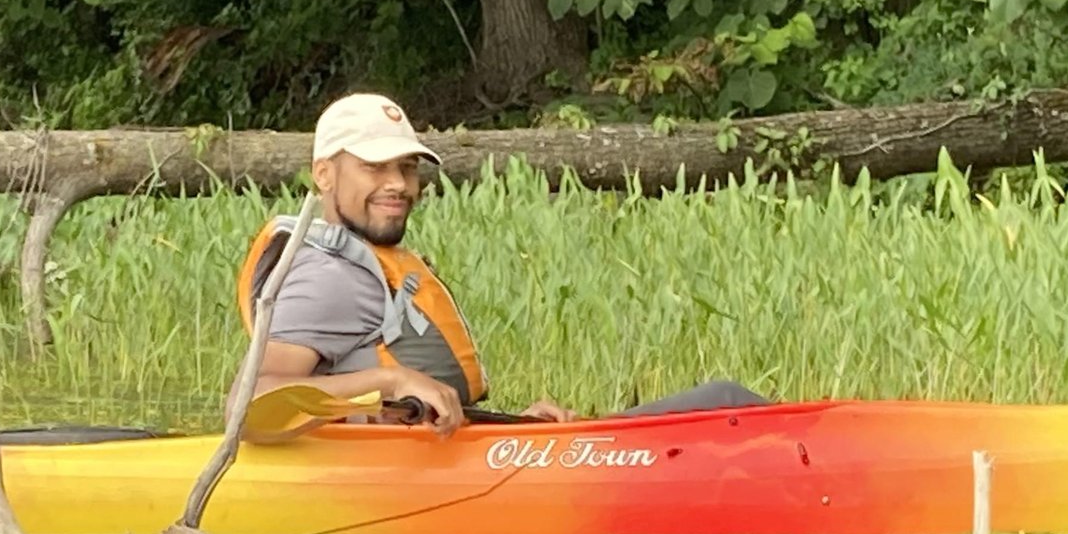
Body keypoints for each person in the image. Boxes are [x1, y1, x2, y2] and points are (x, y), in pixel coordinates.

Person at [229, 92, 766, 436]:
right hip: (375, 478)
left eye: (407, 168)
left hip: (445, 457)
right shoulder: (326, 276)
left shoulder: (373, 262)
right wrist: (391, 383)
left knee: (724, 401)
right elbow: (247, 406)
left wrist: (512, 431)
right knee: (728, 406)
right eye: (374, 167)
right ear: (324, 175)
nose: (398, 184)